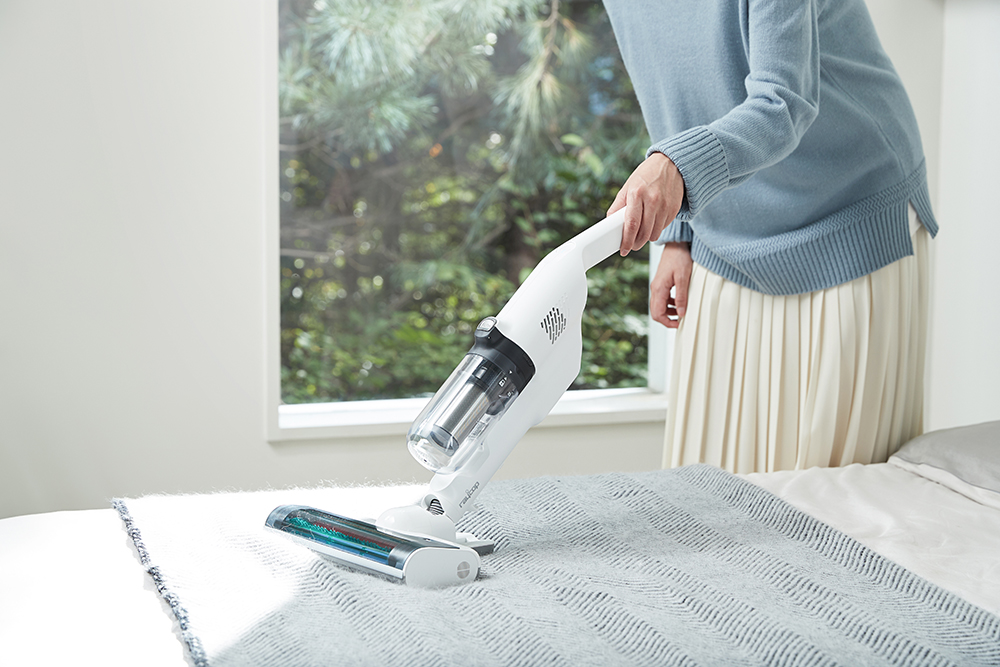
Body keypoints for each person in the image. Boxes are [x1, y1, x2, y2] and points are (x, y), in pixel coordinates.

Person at [602, 0, 936, 473]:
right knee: (709, 478)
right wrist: (678, 234)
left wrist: (678, 169)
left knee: (827, 490)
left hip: (848, 214)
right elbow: (668, 87)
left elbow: (784, 103)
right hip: (724, 222)